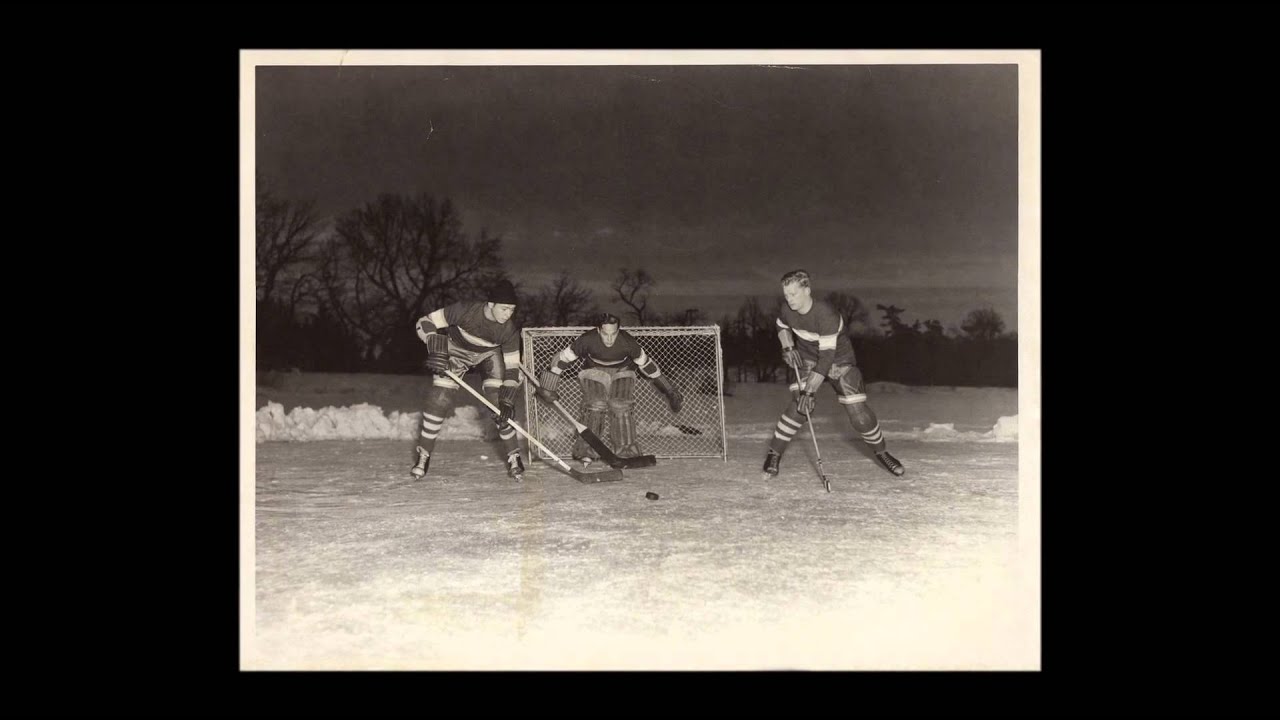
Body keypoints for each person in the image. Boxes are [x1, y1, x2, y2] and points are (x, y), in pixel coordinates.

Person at [762, 270, 905, 479]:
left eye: (793, 294)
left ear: (807, 290)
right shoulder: (787, 310)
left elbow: (827, 358)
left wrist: (810, 390)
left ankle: (882, 452)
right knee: (800, 407)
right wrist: (788, 347)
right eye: (786, 295)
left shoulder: (826, 314)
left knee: (859, 416)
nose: (789, 299)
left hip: (838, 360)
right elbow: (781, 325)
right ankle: (774, 453)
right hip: (807, 358)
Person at [410, 279, 525, 481]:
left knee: (498, 405)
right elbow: (424, 322)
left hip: (489, 354)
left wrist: (507, 398)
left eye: (512, 310)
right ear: (491, 304)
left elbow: (513, 368)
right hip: (457, 349)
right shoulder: (464, 310)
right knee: (439, 399)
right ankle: (424, 455)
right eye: (505, 309)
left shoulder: (509, 330)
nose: (508, 315)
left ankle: (514, 456)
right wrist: (433, 342)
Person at [534, 313, 683, 462]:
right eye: (606, 334)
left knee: (621, 405)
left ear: (618, 330)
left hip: (623, 371)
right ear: (599, 330)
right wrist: (549, 385)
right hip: (593, 371)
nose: (610, 340)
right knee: (596, 404)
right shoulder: (587, 339)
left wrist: (670, 390)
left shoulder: (628, 342)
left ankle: (626, 451)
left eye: (614, 334)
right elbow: (561, 359)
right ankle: (587, 449)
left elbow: (648, 366)